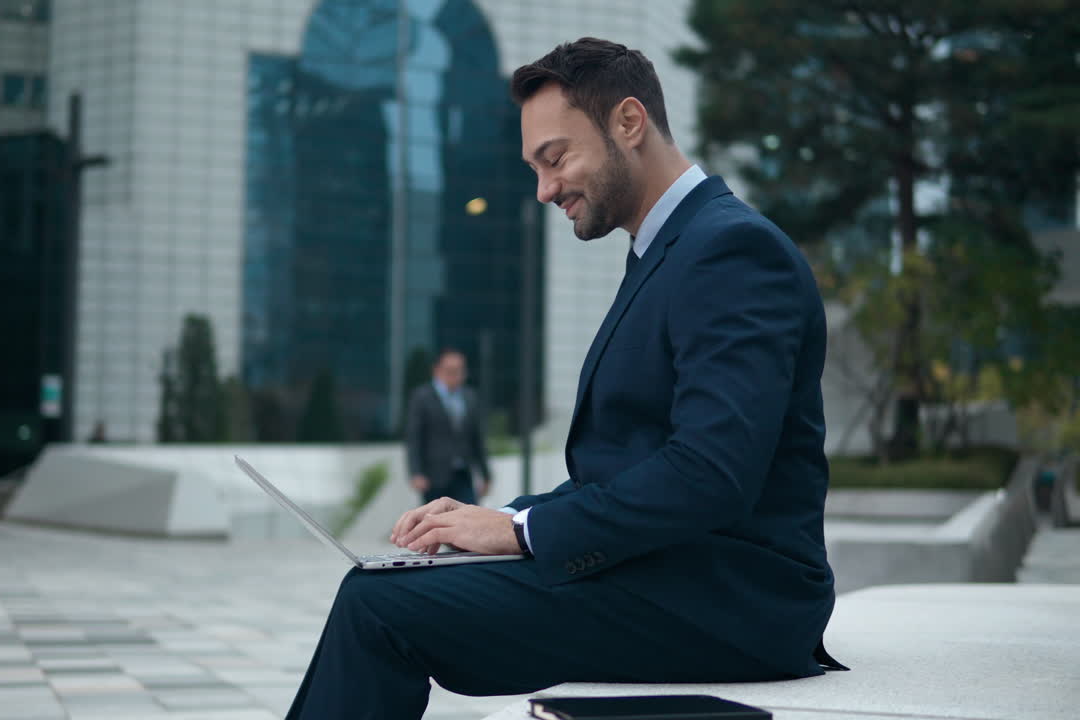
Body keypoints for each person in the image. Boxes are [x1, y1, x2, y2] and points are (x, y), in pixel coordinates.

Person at [285, 38, 844, 720]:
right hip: (673, 577)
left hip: (731, 601)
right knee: (381, 584)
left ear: (629, 123)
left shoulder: (729, 251)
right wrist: (504, 518)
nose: (546, 189)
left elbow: (710, 473)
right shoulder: (670, 250)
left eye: (555, 159)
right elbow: (632, 465)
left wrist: (520, 534)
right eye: (536, 169)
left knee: (379, 606)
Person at [404, 348, 491, 506]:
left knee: (468, 517)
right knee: (435, 521)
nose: (456, 375)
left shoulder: (469, 397)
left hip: (463, 474)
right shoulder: (422, 397)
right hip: (434, 476)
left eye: (460, 370)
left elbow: (476, 439)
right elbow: (414, 437)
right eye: (451, 370)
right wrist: (416, 472)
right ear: (437, 370)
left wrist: (485, 474)